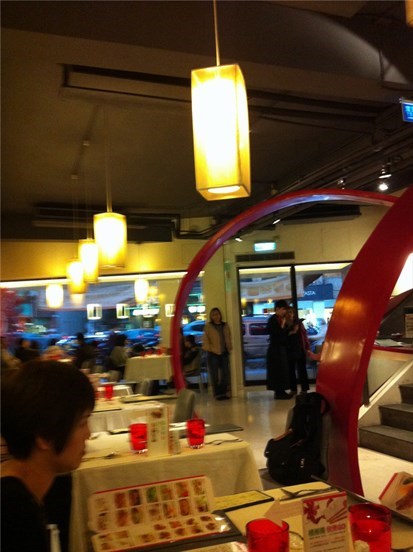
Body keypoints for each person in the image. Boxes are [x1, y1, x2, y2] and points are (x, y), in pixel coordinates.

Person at [1, 360, 95, 552]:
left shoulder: (20, 490)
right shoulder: (13, 511)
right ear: (44, 436)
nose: (89, 433)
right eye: (82, 423)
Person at [202, 307, 232, 400]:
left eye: (217, 314)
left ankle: (223, 392)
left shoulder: (225, 325)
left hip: (224, 352)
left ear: (220, 315)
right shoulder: (208, 326)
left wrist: (229, 347)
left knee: (225, 374)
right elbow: (205, 340)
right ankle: (217, 393)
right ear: (211, 316)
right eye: (214, 315)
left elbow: (228, 337)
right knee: (214, 374)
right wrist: (210, 349)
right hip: (213, 353)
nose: (216, 316)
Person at [266, 299, 292, 400]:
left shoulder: (282, 319)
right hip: (275, 349)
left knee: (283, 369)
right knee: (277, 370)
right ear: (277, 309)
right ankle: (279, 392)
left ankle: (282, 391)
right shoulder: (272, 320)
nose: (284, 311)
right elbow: (275, 333)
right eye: (283, 309)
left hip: (281, 348)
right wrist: (282, 325)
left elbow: (284, 333)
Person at [285, 307, 310, 395]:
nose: (289, 314)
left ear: (294, 313)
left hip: (299, 348)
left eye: (291, 312)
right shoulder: (284, 324)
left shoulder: (298, 323)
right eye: (287, 312)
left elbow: (304, 335)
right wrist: (291, 332)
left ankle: (304, 389)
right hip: (289, 349)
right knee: (291, 370)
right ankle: (293, 389)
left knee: (302, 369)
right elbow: (282, 336)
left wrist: (307, 348)